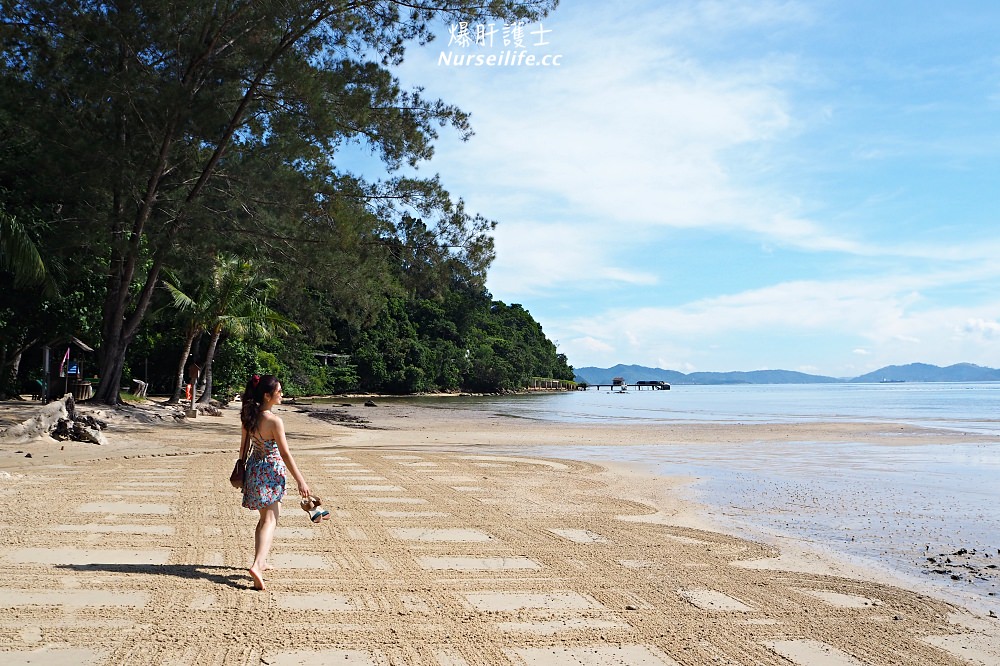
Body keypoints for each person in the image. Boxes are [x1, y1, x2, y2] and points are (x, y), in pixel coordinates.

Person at [239, 373, 311, 590]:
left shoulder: (248, 416)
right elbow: (286, 454)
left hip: (254, 469)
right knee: (271, 520)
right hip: (271, 471)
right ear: (268, 395)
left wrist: (241, 472)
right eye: (279, 392)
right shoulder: (274, 421)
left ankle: (261, 560)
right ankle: (257, 564)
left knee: (263, 520)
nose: (282, 395)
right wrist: (301, 480)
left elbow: (242, 448)